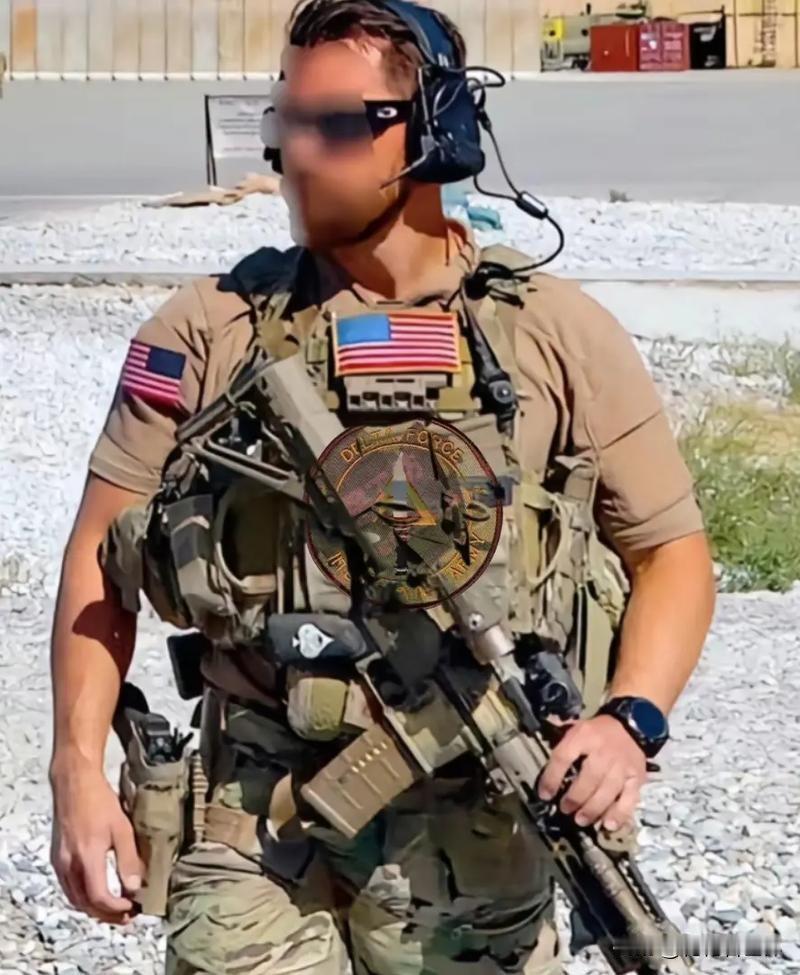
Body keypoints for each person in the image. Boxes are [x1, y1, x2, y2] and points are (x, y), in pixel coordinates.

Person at [48, 1, 716, 973]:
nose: (296, 154)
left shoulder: (552, 336)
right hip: (254, 822)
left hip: (477, 827)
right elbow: (97, 557)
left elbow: (670, 554)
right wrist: (75, 769)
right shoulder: (206, 331)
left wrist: (628, 720)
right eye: (287, 122)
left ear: (436, 130)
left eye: (337, 125)